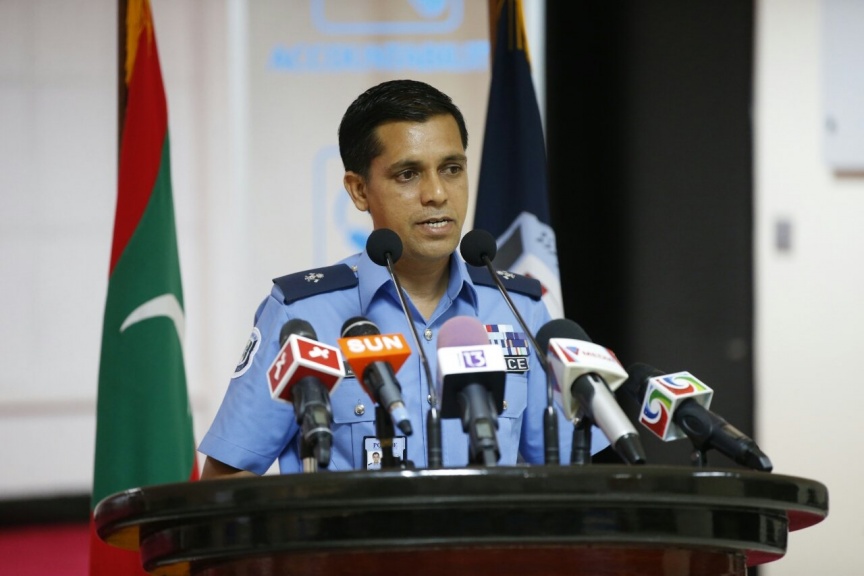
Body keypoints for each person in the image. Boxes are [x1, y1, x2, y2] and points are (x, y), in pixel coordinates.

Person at [198, 79, 607, 479]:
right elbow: (225, 478)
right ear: (359, 191)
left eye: (451, 169)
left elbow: (570, 474)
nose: (437, 194)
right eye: (408, 174)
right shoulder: (303, 316)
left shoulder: (517, 308)